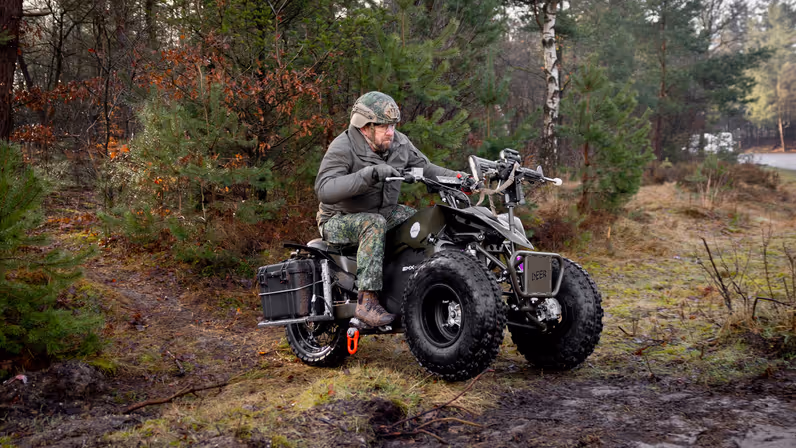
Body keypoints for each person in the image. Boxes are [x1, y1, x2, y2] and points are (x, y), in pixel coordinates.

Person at [315, 91, 464, 327]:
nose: (390, 132)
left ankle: (413, 287)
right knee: (373, 224)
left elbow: (427, 169)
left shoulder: (400, 144)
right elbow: (324, 189)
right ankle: (367, 301)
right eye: (384, 126)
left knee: (419, 221)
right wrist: (369, 175)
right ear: (365, 127)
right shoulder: (343, 147)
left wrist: (459, 179)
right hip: (338, 220)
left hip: (382, 213)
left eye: (393, 126)